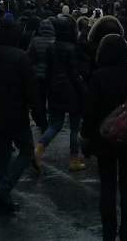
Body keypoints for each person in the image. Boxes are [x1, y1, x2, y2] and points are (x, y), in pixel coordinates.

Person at [81, 33, 127, 241]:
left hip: (105, 140)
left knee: (107, 187)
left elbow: (90, 112)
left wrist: (86, 136)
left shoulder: (98, 77)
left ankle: (108, 234)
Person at [0, 18, 46, 213]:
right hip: (17, 112)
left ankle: (2, 196)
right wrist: (40, 116)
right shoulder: (21, 57)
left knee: (2, 155)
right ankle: (4, 188)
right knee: (26, 151)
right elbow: (31, 90)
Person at [36, 15, 87, 172]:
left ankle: (38, 148)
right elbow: (73, 74)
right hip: (71, 92)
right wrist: (83, 89)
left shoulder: (52, 47)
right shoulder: (72, 48)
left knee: (55, 125)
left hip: (54, 90)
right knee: (74, 127)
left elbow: (48, 71)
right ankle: (74, 160)